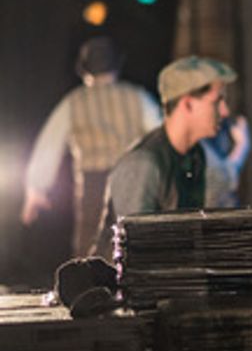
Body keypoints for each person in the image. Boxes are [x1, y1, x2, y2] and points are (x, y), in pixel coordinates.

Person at [20, 36, 162, 256]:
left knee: (91, 244)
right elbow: (159, 134)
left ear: (84, 70)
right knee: (133, 240)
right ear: (116, 66)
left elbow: (50, 143)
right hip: (132, 178)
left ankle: (90, 287)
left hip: (92, 184)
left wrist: (36, 188)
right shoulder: (136, 97)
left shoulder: (74, 102)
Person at [92, 56, 237, 259]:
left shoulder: (196, 156)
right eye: (217, 101)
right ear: (187, 104)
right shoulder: (143, 164)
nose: (225, 111)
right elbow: (134, 256)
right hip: (121, 288)